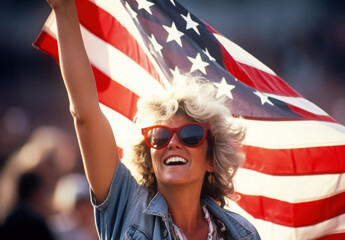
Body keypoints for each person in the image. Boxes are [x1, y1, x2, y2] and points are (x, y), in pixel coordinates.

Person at [46, 0, 261, 239]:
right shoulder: (125, 205)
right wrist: (63, 9)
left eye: (191, 135)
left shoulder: (242, 233)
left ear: (211, 159)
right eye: (159, 136)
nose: (173, 143)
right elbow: (84, 115)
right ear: (148, 158)